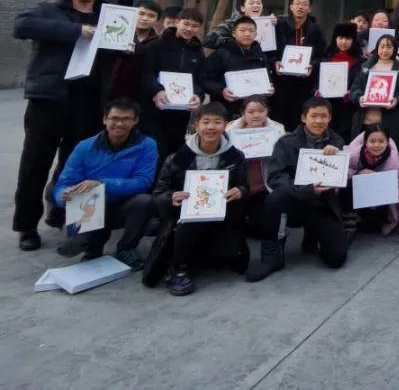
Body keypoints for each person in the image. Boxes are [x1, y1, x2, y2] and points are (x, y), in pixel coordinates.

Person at [12, 0, 107, 249]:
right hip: (49, 98)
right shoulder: (49, 11)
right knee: (35, 163)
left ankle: (62, 211)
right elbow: (21, 26)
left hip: (87, 101)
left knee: (74, 164)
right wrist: (77, 31)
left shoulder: (106, 18)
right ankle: (27, 226)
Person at [145, 103, 249, 295]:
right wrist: (171, 198)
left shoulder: (235, 157)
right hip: (185, 218)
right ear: (195, 125)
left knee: (226, 257)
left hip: (223, 215)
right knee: (189, 223)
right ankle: (178, 268)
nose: (211, 127)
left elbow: (245, 186)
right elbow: (159, 193)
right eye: (206, 122)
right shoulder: (177, 158)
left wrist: (240, 191)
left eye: (217, 122)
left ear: (225, 125)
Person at [247, 98, 348, 282]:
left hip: (321, 205)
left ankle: (314, 235)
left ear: (330, 118)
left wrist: (337, 155)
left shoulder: (337, 141)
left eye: (323, 116)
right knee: (274, 199)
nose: (319, 121)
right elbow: (275, 177)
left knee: (337, 258)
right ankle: (272, 256)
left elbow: (337, 178)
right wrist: (305, 189)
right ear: (303, 117)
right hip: (293, 202)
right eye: (314, 116)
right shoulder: (285, 142)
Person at [52, 97, 157, 267]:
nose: (119, 124)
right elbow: (64, 182)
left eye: (126, 119)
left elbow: (144, 181)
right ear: (104, 119)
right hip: (90, 206)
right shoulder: (85, 146)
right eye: (114, 118)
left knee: (145, 201)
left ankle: (126, 248)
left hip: (123, 205)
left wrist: (102, 183)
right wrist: (62, 195)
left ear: (135, 121)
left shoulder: (147, 145)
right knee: (73, 245)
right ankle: (91, 246)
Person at [139, 7, 207, 171]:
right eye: (186, 24)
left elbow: (200, 80)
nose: (189, 29)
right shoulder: (156, 46)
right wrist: (157, 90)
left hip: (181, 111)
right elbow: (145, 72)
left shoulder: (198, 52)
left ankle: (171, 187)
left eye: (194, 26)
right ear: (177, 22)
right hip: (154, 108)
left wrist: (198, 95)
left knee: (176, 150)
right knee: (154, 149)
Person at [225, 96, 284, 234]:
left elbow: (283, 161)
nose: (256, 115)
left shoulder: (278, 131)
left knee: (261, 229)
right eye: (250, 112)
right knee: (232, 227)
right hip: (238, 188)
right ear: (243, 113)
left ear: (267, 111)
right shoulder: (229, 133)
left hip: (262, 188)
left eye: (261, 111)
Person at [349, 34, 399, 152]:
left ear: (394, 49)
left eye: (389, 47)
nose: (385, 50)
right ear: (377, 48)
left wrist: (397, 99)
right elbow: (354, 89)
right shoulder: (366, 66)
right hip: (365, 120)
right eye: (382, 46)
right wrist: (359, 97)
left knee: (388, 156)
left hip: (390, 121)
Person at [201, 15, 274, 119]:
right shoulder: (221, 54)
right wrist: (221, 90)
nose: (247, 34)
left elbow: (267, 78)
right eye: (242, 30)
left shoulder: (261, 55)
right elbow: (205, 79)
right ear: (234, 33)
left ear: (256, 34)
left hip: (254, 113)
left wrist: (269, 88)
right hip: (227, 110)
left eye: (251, 31)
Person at [271, 0, 325, 130]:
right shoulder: (279, 25)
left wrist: (312, 66)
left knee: (300, 117)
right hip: (282, 81)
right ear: (291, 6)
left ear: (310, 9)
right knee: (280, 117)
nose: (300, 7)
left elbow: (321, 56)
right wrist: (275, 61)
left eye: (304, 4)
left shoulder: (316, 29)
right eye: (297, 4)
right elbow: (270, 50)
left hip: (304, 83)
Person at [345, 125, 399, 236]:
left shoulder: (392, 160)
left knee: (389, 197)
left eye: (381, 141)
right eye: (372, 141)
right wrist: (360, 173)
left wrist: (380, 182)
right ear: (365, 142)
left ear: (387, 142)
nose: (376, 145)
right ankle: (348, 220)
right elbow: (343, 172)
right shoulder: (354, 155)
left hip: (381, 198)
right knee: (346, 186)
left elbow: (398, 186)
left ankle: (381, 221)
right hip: (358, 192)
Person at [102, 0, 161, 102]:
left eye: (151, 16)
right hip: (113, 90)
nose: (145, 18)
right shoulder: (118, 35)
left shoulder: (159, 43)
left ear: (157, 21)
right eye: (141, 13)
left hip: (144, 94)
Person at [204, 0, 275, 51]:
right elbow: (209, 40)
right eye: (251, 3)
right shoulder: (231, 23)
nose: (256, 6)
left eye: (259, 3)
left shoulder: (267, 23)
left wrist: (274, 25)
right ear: (242, 8)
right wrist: (234, 44)